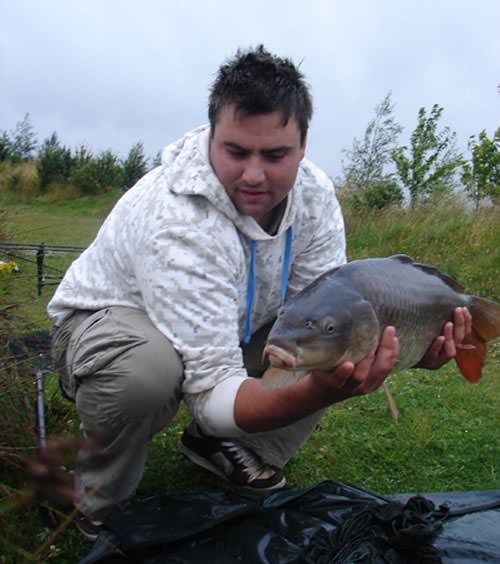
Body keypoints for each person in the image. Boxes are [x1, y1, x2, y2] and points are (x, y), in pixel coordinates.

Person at [47, 45, 471, 540]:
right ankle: (96, 502)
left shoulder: (314, 197)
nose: (254, 174)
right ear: (211, 136)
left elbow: (326, 310)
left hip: (235, 324)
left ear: (304, 144)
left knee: (336, 343)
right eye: (235, 151)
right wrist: (315, 391)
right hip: (109, 327)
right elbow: (210, 393)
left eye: (275, 155)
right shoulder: (177, 218)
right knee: (148, 372)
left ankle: (227, 448)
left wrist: (408, 350)